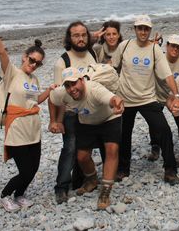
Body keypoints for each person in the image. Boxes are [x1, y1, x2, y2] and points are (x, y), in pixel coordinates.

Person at [0, 12, 54, 213]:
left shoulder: (34, 80)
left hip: (34, 128)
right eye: (31, 60)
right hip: (17, 128)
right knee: (24, 169)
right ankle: (5, 195)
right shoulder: (12, 73)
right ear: (25, 57)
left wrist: (49, 91)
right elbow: (2, 53)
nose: (33, 65)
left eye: (38, 63)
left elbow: (34, 102)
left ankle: (20, 194)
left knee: (33, 168)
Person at [111, 15, 179, 184]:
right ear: (134, 29)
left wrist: (177, 95)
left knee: (164, 131)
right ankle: (122, 169)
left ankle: (170, 171)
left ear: (150, 30)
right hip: (125, 99)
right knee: (123, 134)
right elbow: (112, 68)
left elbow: (167, 74)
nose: (143, 31)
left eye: (146, 28)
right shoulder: (125, 46)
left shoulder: (154, 49)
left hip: (147, 98)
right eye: (140, 28)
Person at [50, 67, 124, 210]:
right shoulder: (62, 93)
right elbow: (52, 98)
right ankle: (92, 179)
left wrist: (117, 104)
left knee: (112, 150)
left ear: (82, 81)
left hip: (109, 118)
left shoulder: (94, 89)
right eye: (68, 85)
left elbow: (112, 98)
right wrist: (54, 120)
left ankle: (105, 191)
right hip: (87, 122)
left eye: (74, 83)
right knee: (82, 157)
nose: (72, 89)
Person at [49, 21, 97, 204]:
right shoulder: (63, 61)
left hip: (91, 110)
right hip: (71, 113)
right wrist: (57, 121)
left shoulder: (92, 54)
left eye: (84, 34)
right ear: (69, 38)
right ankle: (61, 187)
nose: (81, 38)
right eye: (76, 35)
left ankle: (83, 178)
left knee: (87, 147)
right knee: (70, 148)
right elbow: (58, 95)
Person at [148, 34, 179, 167]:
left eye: (178, 47)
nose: (175, 49)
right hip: (159, 95)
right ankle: (155, 147)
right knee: (154, 123)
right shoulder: (158, 57)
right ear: (167, 46)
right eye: (173, 46)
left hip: (176, 96)